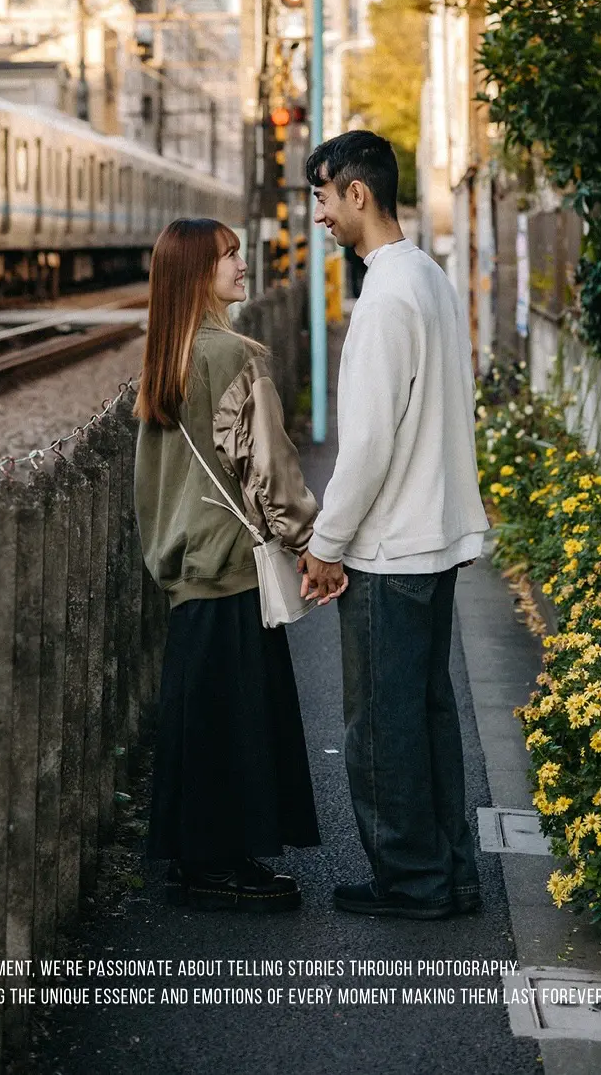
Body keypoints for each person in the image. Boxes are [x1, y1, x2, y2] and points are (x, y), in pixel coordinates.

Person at [298, 130, 490, 921]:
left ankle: (411, 880)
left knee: (381, 723)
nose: (319, 216)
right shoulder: (430, 279)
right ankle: (450, 871)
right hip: (431, 538)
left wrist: (325, 545)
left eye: (322, 197)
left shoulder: (383, 298)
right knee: (427, 712)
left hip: (388, 548)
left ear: (357, 192)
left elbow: (369, 443)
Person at [133, 218, 332, 913]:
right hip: (230, 562)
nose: (243, 265)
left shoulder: (167, 357)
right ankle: (218, 869)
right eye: (228, 257)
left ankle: (203, 859)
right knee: (240, 720)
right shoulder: (233, 355)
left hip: (185, 563)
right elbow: (270, 468)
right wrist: (310, 544)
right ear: (197, 274)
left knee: (203, 718)